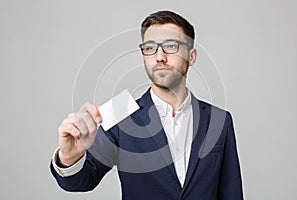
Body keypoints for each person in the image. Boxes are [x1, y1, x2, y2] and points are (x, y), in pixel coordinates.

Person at [50, 10, 244, 200]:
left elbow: (231, 192)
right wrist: (69, 157)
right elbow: (83, 181)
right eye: (150, 47)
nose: (159, 57)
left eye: (171, 46)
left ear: (191, 56)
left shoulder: (219, 119)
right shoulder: (121, 112)